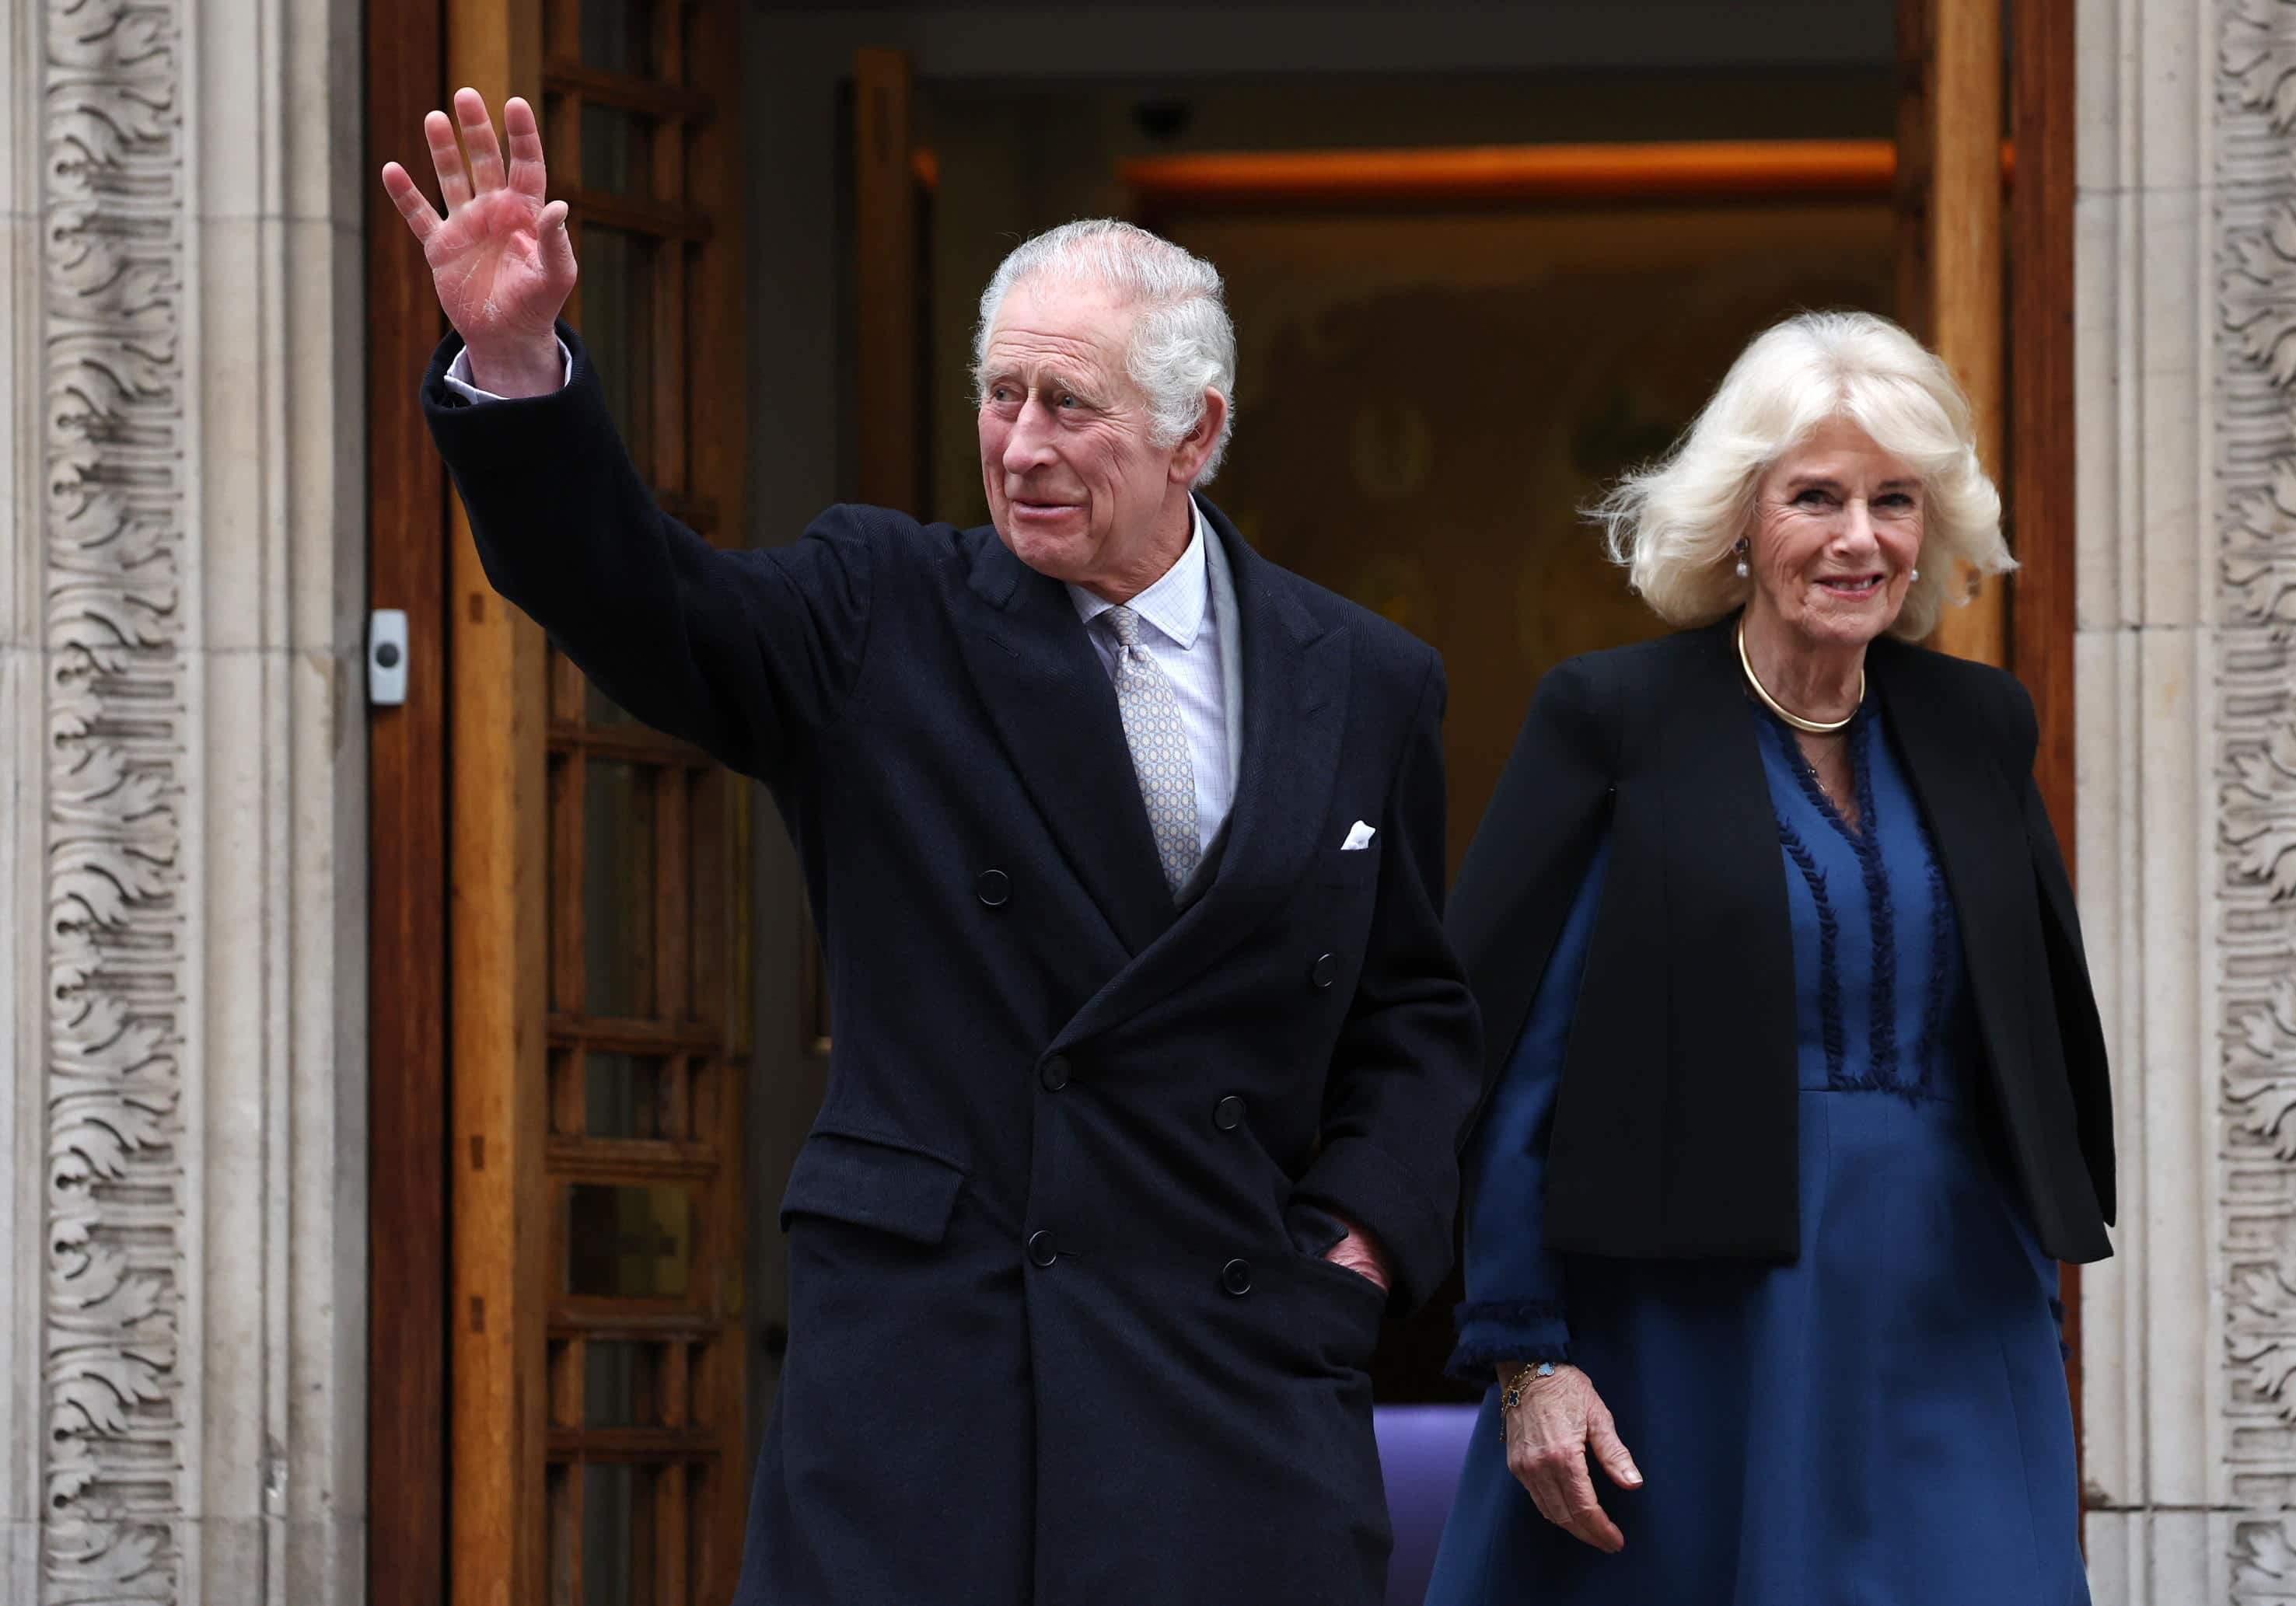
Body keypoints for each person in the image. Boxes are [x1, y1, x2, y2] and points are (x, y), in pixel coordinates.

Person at [382, 90, 1481, 1606]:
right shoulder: (877, 611)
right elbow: (647, 605)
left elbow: (1412, 1013)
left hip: (1229, 1373)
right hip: (942, 1381)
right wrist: (514, 368)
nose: (1019, 445)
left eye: (1068, 405)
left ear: (1196, 433)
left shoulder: (1364, 676)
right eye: (999, 395)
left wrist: (1351, 1250)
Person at [1424, 311, 2113, 1604]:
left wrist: (2035, 1278)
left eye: (1894, 500)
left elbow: (2024, 1041)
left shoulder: (1980, 726)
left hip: (1953, 1313)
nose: (1860, 538)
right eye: (1817, 497)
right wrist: (1527, 1352)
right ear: (1741, 514)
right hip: (1694, 1328)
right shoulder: (1616, 720)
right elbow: (1511, 1059)